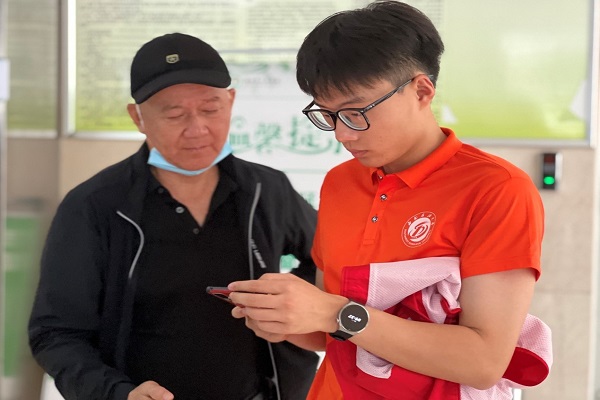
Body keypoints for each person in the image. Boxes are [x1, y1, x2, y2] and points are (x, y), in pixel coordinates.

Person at [228, 2, 552, 399]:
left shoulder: (496, 190)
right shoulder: (340, 183)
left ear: (421, 90)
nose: (342, 134)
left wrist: (333, 312)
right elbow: (334, 334)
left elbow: (483, 362)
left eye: (355, 112)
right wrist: (285, 319)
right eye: (327, 114)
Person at [28, 32, 319, 400]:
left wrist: (293, 309)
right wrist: (117, 393)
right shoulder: (94, 206)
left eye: (210, 109)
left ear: (230, 101)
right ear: (137, 117)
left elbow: (331, 260)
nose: (197, 128)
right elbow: (56, 333)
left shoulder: (267, 189)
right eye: (174, 114)